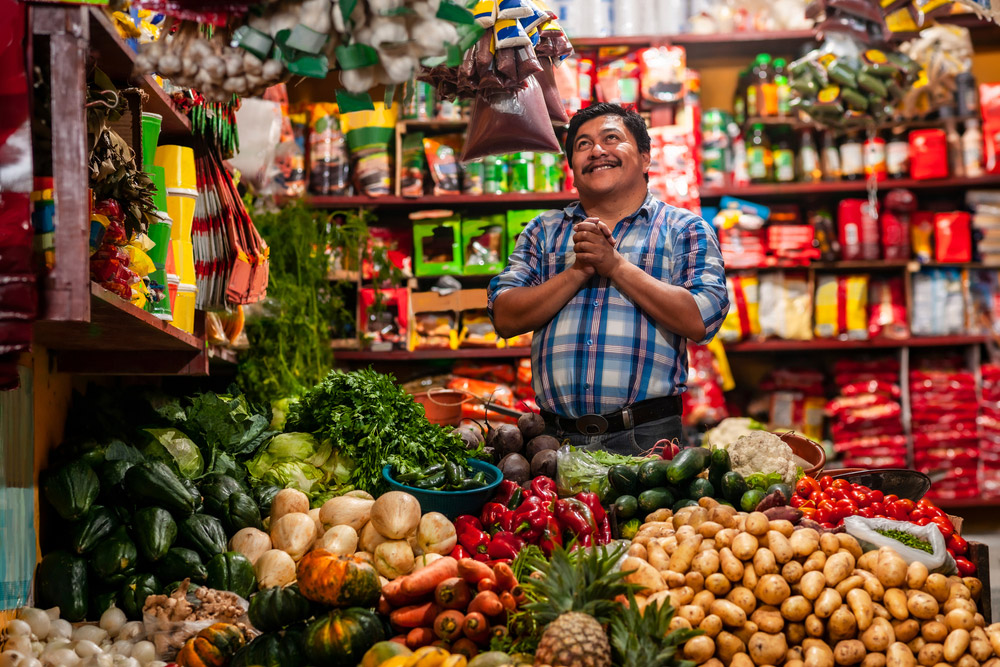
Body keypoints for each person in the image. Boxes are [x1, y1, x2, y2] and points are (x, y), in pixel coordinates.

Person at [487, 103, 729, 455]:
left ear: (646, 158)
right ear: (572, 168)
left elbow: (701, 319)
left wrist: (614, 265)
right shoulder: (544, 231)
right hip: (555, 440)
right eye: (582, 145)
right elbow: (504, 317)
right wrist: (578, 271)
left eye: (611, 138)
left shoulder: (684, 229)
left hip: (648, 437)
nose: (596, 150)